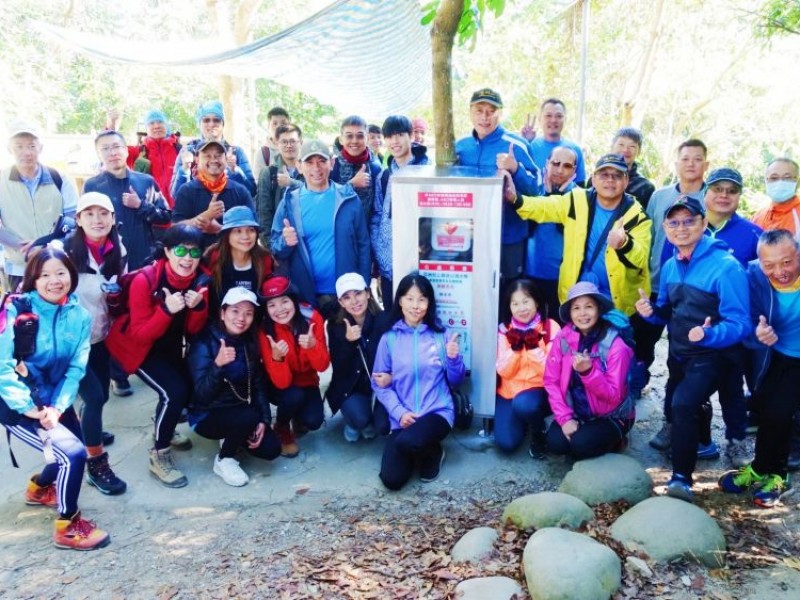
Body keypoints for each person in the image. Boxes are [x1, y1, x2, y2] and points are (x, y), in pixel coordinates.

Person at [635, 196, 749, 502]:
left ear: (703, 223)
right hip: (680, 354)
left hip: (715, 354)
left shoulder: (726, 267)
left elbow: (741, 323)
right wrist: (650, 313)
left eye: (689, 221)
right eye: (674, 222)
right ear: (665, 227)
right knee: (679, 405)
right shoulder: (672, 265)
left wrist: (710, 334)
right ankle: (705, 445)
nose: (681, 228)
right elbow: (666, 312)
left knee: (684, 404)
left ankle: (681, 480)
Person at [0, 247, 110, 550]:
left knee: (72, 453)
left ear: (71, 276)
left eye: (60, 273)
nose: (54, 281)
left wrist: (58, 408)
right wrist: (31, 409)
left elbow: (76, 368)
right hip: (15, 402)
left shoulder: (79, 316)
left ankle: (38, 489)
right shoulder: (16, 309)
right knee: (72, 454)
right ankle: (67, 525)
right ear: (33, 279)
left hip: (52, 401)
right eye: (45, 275)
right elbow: (2, 366)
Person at [105, 224, 209, 488]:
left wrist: (198, 308)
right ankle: (159, 454)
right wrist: (166, 309)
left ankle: (166, 425)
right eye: (181, 250)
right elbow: (140, 334)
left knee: (182, 390)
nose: (188, 258)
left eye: (194, 251)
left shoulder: (199, 279)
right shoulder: (146, 279)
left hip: (170, 345)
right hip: (137, 347)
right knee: (173, 392)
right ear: (167, 252)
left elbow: (194, 329)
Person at [510, 153, 651, 317]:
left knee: (611, 342)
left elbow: (641, 258)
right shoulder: (576, 200)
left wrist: (624, 244)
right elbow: (543, 207)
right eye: (604, 174)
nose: (610, 180)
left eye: (617, 175)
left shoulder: (637, 216)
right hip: (576, 297)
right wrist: (515, 199)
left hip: (615, 302)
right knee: (572, 341)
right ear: (594, 178)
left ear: (626, 181)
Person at [718, 229, 800, 507]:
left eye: (787, 262)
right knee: (766, 411)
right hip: (772, 353)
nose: (780, 271)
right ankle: (762, 468)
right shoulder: (753, 274)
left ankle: (777, 474)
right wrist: (758, 331)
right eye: (770, 265)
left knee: (780, 413)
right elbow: (745, 316)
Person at [372, 273, 466, 490]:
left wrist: (453, 359)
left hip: (436, 412)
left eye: (422, 299)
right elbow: (378, 383)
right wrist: (399, 412)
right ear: (400, 301)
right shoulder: (389, 338)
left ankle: (433, 452)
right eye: (410, 298)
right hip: (403, 417)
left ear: (429, 303)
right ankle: (419, 449)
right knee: (391, 480)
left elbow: (456, 381)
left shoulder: (441, 335)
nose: (416, 305)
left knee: (407, 442)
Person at [63, 192, 127, 495]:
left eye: (103, 213)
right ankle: (96, 463)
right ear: (78, 219)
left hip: (100, 336)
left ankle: (91, 430)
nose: (97, 220)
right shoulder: (63, 251)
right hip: (70, 343)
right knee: (95, 397)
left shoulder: (118, 250)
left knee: (100, 396)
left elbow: (120, 290)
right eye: (89, 214)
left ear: (113, 218)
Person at [186, 287, 281, 486]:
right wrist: (217, 366)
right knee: (247, 417)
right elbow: (201, 396)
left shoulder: (249, 341)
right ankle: (224, 460)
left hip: (238, 409)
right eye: (235, 311)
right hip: (206, 415)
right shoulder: (204, 342)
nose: (242, 318)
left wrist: (264, 419)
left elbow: (257, 384)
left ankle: (233, 434)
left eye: (248, 313)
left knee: (271, 449)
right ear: (222, 313)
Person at [271, 139, 371, 315]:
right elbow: (275, 248)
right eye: (309, 162)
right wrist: (285, 242)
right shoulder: (289, 202)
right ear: (299, 166)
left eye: (322, 161)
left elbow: (363, 245)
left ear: (331, 163)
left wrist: (363, 285)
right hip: (304, 294)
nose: (316, 168)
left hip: (345, 294)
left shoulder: (348, 198)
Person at [456, 88, 540, 284]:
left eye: (491, 111)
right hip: (469, 236)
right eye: (479, 110)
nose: (485, 117)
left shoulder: (515, 145)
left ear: (500, 113)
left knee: (509, 292)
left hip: (509, 237)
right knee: (473, 288)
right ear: (470, 112)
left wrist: (515, 168)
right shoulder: (460, 146)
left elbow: (537, 190)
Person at [543, 282, 635, 459]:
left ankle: (616, 439)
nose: (582, 313)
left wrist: (588, 373)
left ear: (599, 309)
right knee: (555, 443)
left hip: (611, 415)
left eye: (589, 307)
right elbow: (551, 380)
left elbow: (614, 396)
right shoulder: (563, 338)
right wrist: (564, 418)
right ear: (570, 313)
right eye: (576, 308)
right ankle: (586, 436)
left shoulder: (616, 346)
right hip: (577, 411)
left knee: (580, 447)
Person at [0, 121, 79, 292]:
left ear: (40, 148)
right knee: (21, 315)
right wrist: (27, 249)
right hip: (18, 266)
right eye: (19, 146)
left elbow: (72, 219)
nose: (26, 152)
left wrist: (48, 244)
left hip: (56, 265)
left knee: (56, 315)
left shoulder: (59, 178)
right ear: (9, 149)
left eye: (31, 146)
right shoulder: (1, 181)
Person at [257, 275, 330, 457]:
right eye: (271, 305)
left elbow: (322, 366)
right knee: (293, 395)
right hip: (279, 384)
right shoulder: (265, 330)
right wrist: (277, 359)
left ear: (294, 301)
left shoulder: (312, 318)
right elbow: (282, 383)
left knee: (313, 421)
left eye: (284, 301)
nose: (280, 310)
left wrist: (313, 347)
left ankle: (297, 417)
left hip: (308, 381)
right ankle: (281, 426)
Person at [83, 130, 171, 271]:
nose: (112, 153)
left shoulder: (145, 181)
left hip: (144, 263)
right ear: (99, 154)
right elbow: (84, 226)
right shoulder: (92, 185)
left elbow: (166, 216)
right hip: (109, 264)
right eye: (105, 149)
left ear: (126, 150)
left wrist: (141, 205)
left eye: (116, 146)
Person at [495, 279, 560, 457]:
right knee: (506, 443)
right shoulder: (504, 330)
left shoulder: (550, 327)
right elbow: (503, 371)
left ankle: (539, 431)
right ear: (509, 307)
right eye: (515, 303)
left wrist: (533, 348)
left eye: (526, 301)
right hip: (509, 392)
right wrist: (515, 348)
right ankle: (524, 421)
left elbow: (552, 373)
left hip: (539, 392)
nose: (521, 308)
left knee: (525, 405)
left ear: (536, 301)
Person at [326, 273, 391, 443]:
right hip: (352, 386)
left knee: (381, 426)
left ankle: (370, 417)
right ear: (341, 302)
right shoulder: (335, 326)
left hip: (380, 386)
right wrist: (348, 342)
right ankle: (354, 422)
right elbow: (338, 368)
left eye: (358, 294)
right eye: (346, 297)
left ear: (368, 293)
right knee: (360, 419)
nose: (354, 301)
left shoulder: (384, 320)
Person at [372, 115, 431, 304]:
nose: (394, 141)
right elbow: (377, 216)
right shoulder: (384, 176)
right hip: (390, 265)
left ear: (411, 135)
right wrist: (382, 255)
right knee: (393, 320)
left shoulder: (429, 172)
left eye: (399, 135)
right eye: (389, 136)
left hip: (422, 263)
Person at [524, 145, 579, 321]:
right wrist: (546, 196)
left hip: (563, 280)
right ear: (547, 164)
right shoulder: (533, 190)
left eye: (567, 166)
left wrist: (555, 197)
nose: (560, 170)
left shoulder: (580, 197)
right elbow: (527, 228)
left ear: (574, 170)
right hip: (530, 274)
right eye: (555, 163)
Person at [172, 140, 256, 248]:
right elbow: (174, 229)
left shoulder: (240, 191)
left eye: (218, 155)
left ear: (225, 159)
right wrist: (204, 218)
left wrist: (219, 229)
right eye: (207, 156)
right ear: (197, 159)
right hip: (195, 260)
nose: (213, 160)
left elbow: (253, 229)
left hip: (232, 258)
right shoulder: (186, 191)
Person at [170, 100, 256, 198]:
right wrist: (185, 170)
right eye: (206, 120)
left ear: (223, 124)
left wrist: (235, 170)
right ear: (199, 124)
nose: (211, 124)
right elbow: (176, 195)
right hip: (197, 211)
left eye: (216, 120)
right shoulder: (187, 152)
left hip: (228, 209)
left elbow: (251, 192)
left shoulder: (236, 153)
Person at [203, 205, 274, 316]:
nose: (245, 236)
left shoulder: (264, 259)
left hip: (253, 322)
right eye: (238, 231)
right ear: (227, 235)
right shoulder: (212, 257)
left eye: (251, 230)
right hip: (217, 322)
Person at [105, 108, 181, 208]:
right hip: (149, 216)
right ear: (146, 128)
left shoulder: (180, 151)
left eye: (160, 122)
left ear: (166, 125)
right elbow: (112, 151)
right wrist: (111, 126)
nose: (156, 126)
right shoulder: (137, 152)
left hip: (179, 216)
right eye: (151, 123)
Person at [255, 123, 303, 249]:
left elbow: (318, 194)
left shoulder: (310, 169)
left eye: (293, 141)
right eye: (284, 142)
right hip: (280, 242)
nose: (288, 145)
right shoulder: (268, 173)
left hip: (307, 239)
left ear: (301, 142)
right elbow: (263, 212)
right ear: (277, 144)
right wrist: (269, 246)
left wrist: (292, 183)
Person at [521, 98, 587, 186]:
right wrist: (524, 143)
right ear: (540, 119)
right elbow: (519, 179)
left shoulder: (575, 150)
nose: (553, 120)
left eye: (559, 116)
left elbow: (581, 185)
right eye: (548, 115)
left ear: (565, 119)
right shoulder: (530, 146)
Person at [331, 115, 383, 222]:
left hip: (367, 234)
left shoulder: (375, 168)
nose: (354, 141)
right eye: (349, 136)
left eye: (360, 136)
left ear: (367, 138)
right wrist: (351, 185)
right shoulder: (332, 166)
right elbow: (324, 200)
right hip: (337, 232)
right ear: (341, 139)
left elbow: (378, 209)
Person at [751, 158, 800, 236]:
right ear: (766, 180)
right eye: (774, 178)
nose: (780, 182)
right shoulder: (757, 217)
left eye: (787, 177)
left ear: (797, 181)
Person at [611, 127, 655, 209]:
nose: (625, 150)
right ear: (612, 147)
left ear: (639, 151)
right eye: (621, 144)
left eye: (632, 146)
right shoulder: (598, 179)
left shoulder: (645, 187)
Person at [252, 106, 291, 179]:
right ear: (268, 126)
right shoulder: (263, 153)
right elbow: (258, 181)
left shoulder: (298, 149)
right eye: (275, 123)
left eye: (283, 123)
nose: (279, 127)